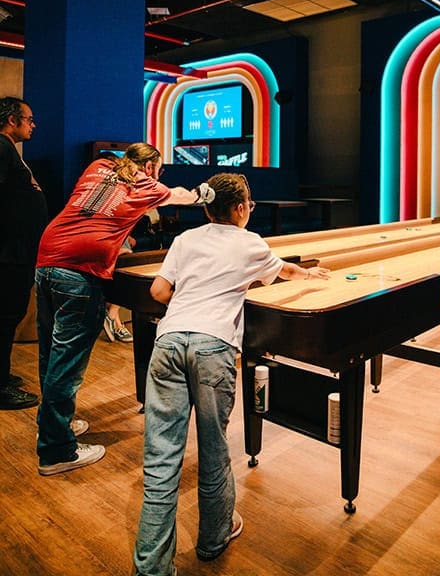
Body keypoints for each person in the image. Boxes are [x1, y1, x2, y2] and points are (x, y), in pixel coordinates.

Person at [133, 172, 330, 576]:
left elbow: (158, 292)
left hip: (168, 342)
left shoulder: (186, 240)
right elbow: (287, 272)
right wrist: (310, 275)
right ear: (241, 208)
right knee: (212, 446)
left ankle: (151, 567)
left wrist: (190, 295)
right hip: (213, 346)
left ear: (206, 208)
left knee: (161, 458)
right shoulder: (249, 243)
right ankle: (214, 537)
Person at [35, 142, 215, 476]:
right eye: (158, 169)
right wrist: (203, 194)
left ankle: (51, 427)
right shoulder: (147, 183)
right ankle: (56, 451)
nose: (158, 176)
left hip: (47, 260)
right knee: (67, 363)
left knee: (51, 352)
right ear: (151, 167)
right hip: (79, 271)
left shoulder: (98, 168)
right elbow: (181, 196)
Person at [0, 96, 48, 410]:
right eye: (29, 119)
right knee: (4, 318)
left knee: (8, 317)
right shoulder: (1, 148)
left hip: (15, 251)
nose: (33, 125)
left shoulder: (8, 150)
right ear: (13, 120)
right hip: (8, 254)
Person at [103, 234, 136, 342]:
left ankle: (113, 319)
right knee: (127, 270)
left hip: (118, 235)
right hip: (101, 241)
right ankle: (115, 323)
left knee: (124, 273)